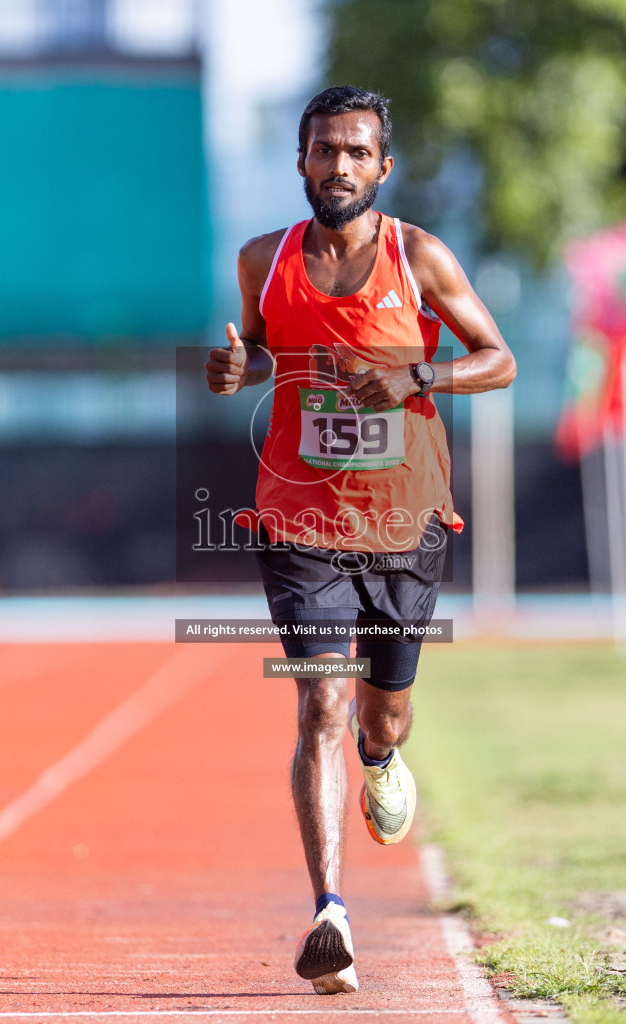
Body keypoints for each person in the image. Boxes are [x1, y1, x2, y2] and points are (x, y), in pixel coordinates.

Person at [203, 86, 516, 994]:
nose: (337, 166)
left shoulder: (418, 257)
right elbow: (259, 352)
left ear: (383, 165)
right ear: (300, 162)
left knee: (380, 715)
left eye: (355, 152)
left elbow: (497, 358)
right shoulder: (264, 260)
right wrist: (235, 368)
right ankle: (330, 911)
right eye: (322, 150)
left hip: (405, 520)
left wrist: (419, 373)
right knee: (321, 706)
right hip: (298, 520)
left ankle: (384, 758)